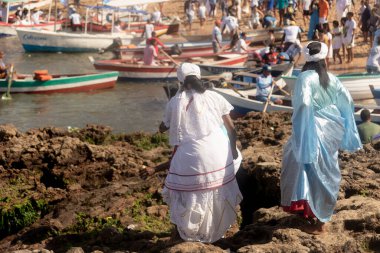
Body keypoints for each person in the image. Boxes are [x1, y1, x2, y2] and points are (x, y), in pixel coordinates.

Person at [281, 41, 362, 235]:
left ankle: (319, 222)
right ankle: (317, 214)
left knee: (308, 168)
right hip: (332, 128)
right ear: (325, 58)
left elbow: (304, 106)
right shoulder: (332, 78)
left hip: (314, 127)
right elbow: (347, 102)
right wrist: (346, 128)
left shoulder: (305, 78)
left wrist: (303, 130)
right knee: (326, 170)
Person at [159, 62, 242, 243]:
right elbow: (231, 129)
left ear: (180, 81)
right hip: (219, 153)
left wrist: (167, 124)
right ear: (199, 77)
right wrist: (233, 150)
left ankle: (190, 234)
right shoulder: (214, 96)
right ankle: (214, 233)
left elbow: (162, 128)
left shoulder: (175, 102)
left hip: (192, 158)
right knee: (215, 191)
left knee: (187, 193)